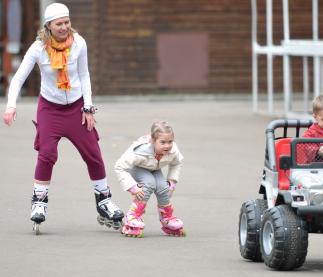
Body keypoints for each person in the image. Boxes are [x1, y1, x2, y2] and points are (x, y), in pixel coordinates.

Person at [2, 3, 124, 232]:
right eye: (59, 24)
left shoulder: (79, 43)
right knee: (47, 154)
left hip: (77, 107)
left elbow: (84, 75)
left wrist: (88, 107)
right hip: (50, 109)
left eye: (67, 22)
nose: (64, 27)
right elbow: (18, 79)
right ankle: (39, 202)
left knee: (93, 153)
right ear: (48, 26)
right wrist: (10, 106)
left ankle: (104, 201)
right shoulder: (38, 48)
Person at [115, 121, 185, 237]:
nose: (167, 146)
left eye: (170, 142)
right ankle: (132, 216)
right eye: (162, 142)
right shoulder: (139, 152)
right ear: (153, 141)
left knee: (164, 188)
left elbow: (177, 163)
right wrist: (132, 187)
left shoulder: (173, 150)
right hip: (138, 167)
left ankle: (167, 218)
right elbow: (119, 167)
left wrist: (172, 182)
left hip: (154, 167)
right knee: (149, 183)